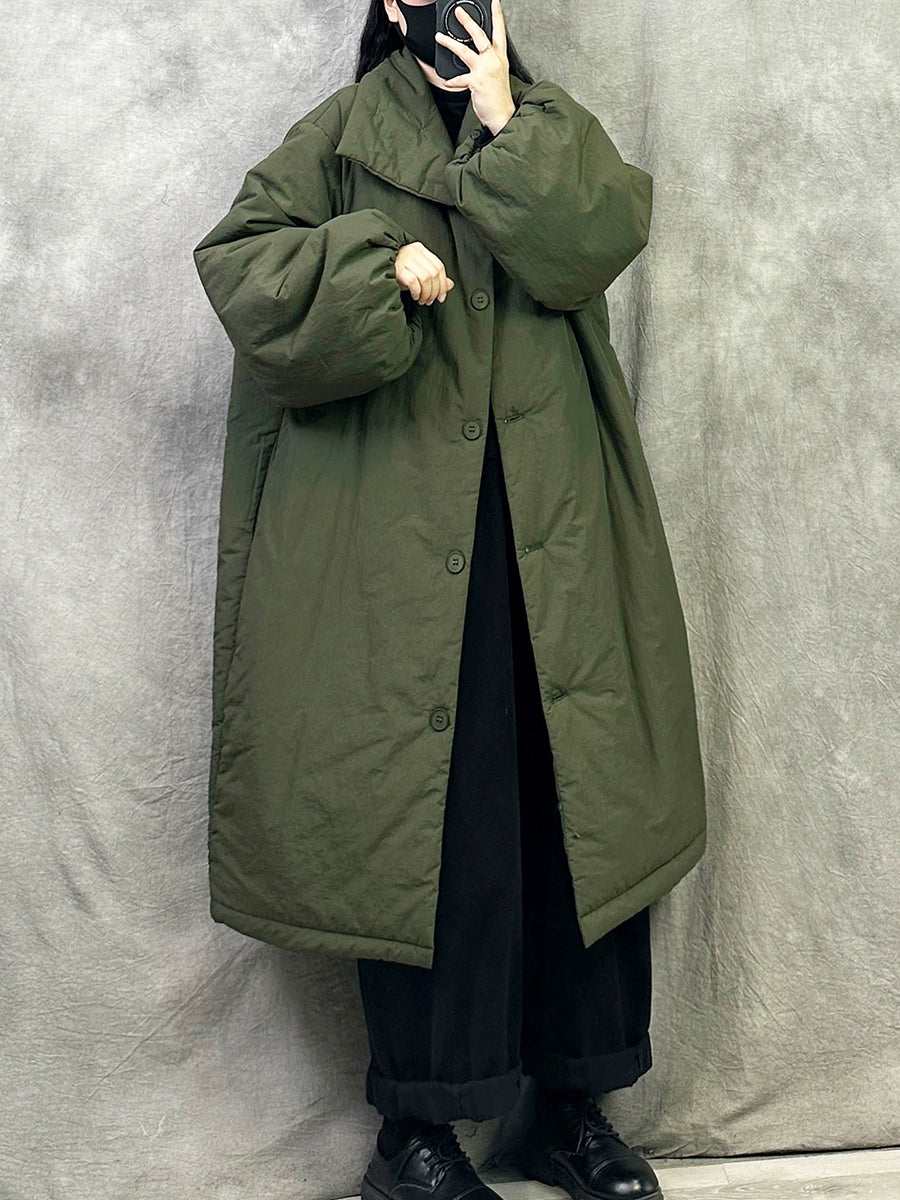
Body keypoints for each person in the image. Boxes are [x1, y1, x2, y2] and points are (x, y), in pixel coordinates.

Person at [192, 3, 707, 1199]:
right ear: (388, 5)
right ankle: (416, 1140)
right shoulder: (336, 140)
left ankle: (571, 1107)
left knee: (579, 805)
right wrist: (369, 260)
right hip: (401, 543)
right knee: (434, 820)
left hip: (557, 533)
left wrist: (505, 122)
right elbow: (243, 273)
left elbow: (594, 241)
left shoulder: (546, 121)